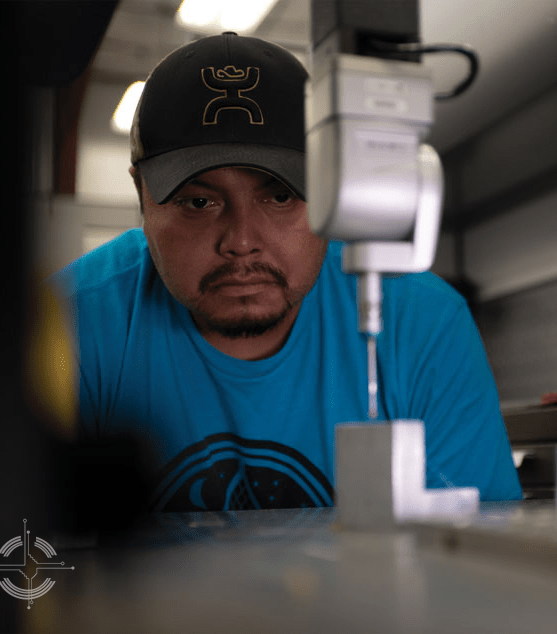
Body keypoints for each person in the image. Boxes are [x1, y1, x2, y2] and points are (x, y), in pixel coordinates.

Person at [51, 32, 522, 512]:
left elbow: (479, 555)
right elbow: (18, 559)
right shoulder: (69, 323)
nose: (240, 240)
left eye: (279, 196)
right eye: (198, 201)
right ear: (141, 197)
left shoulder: (422, 323)